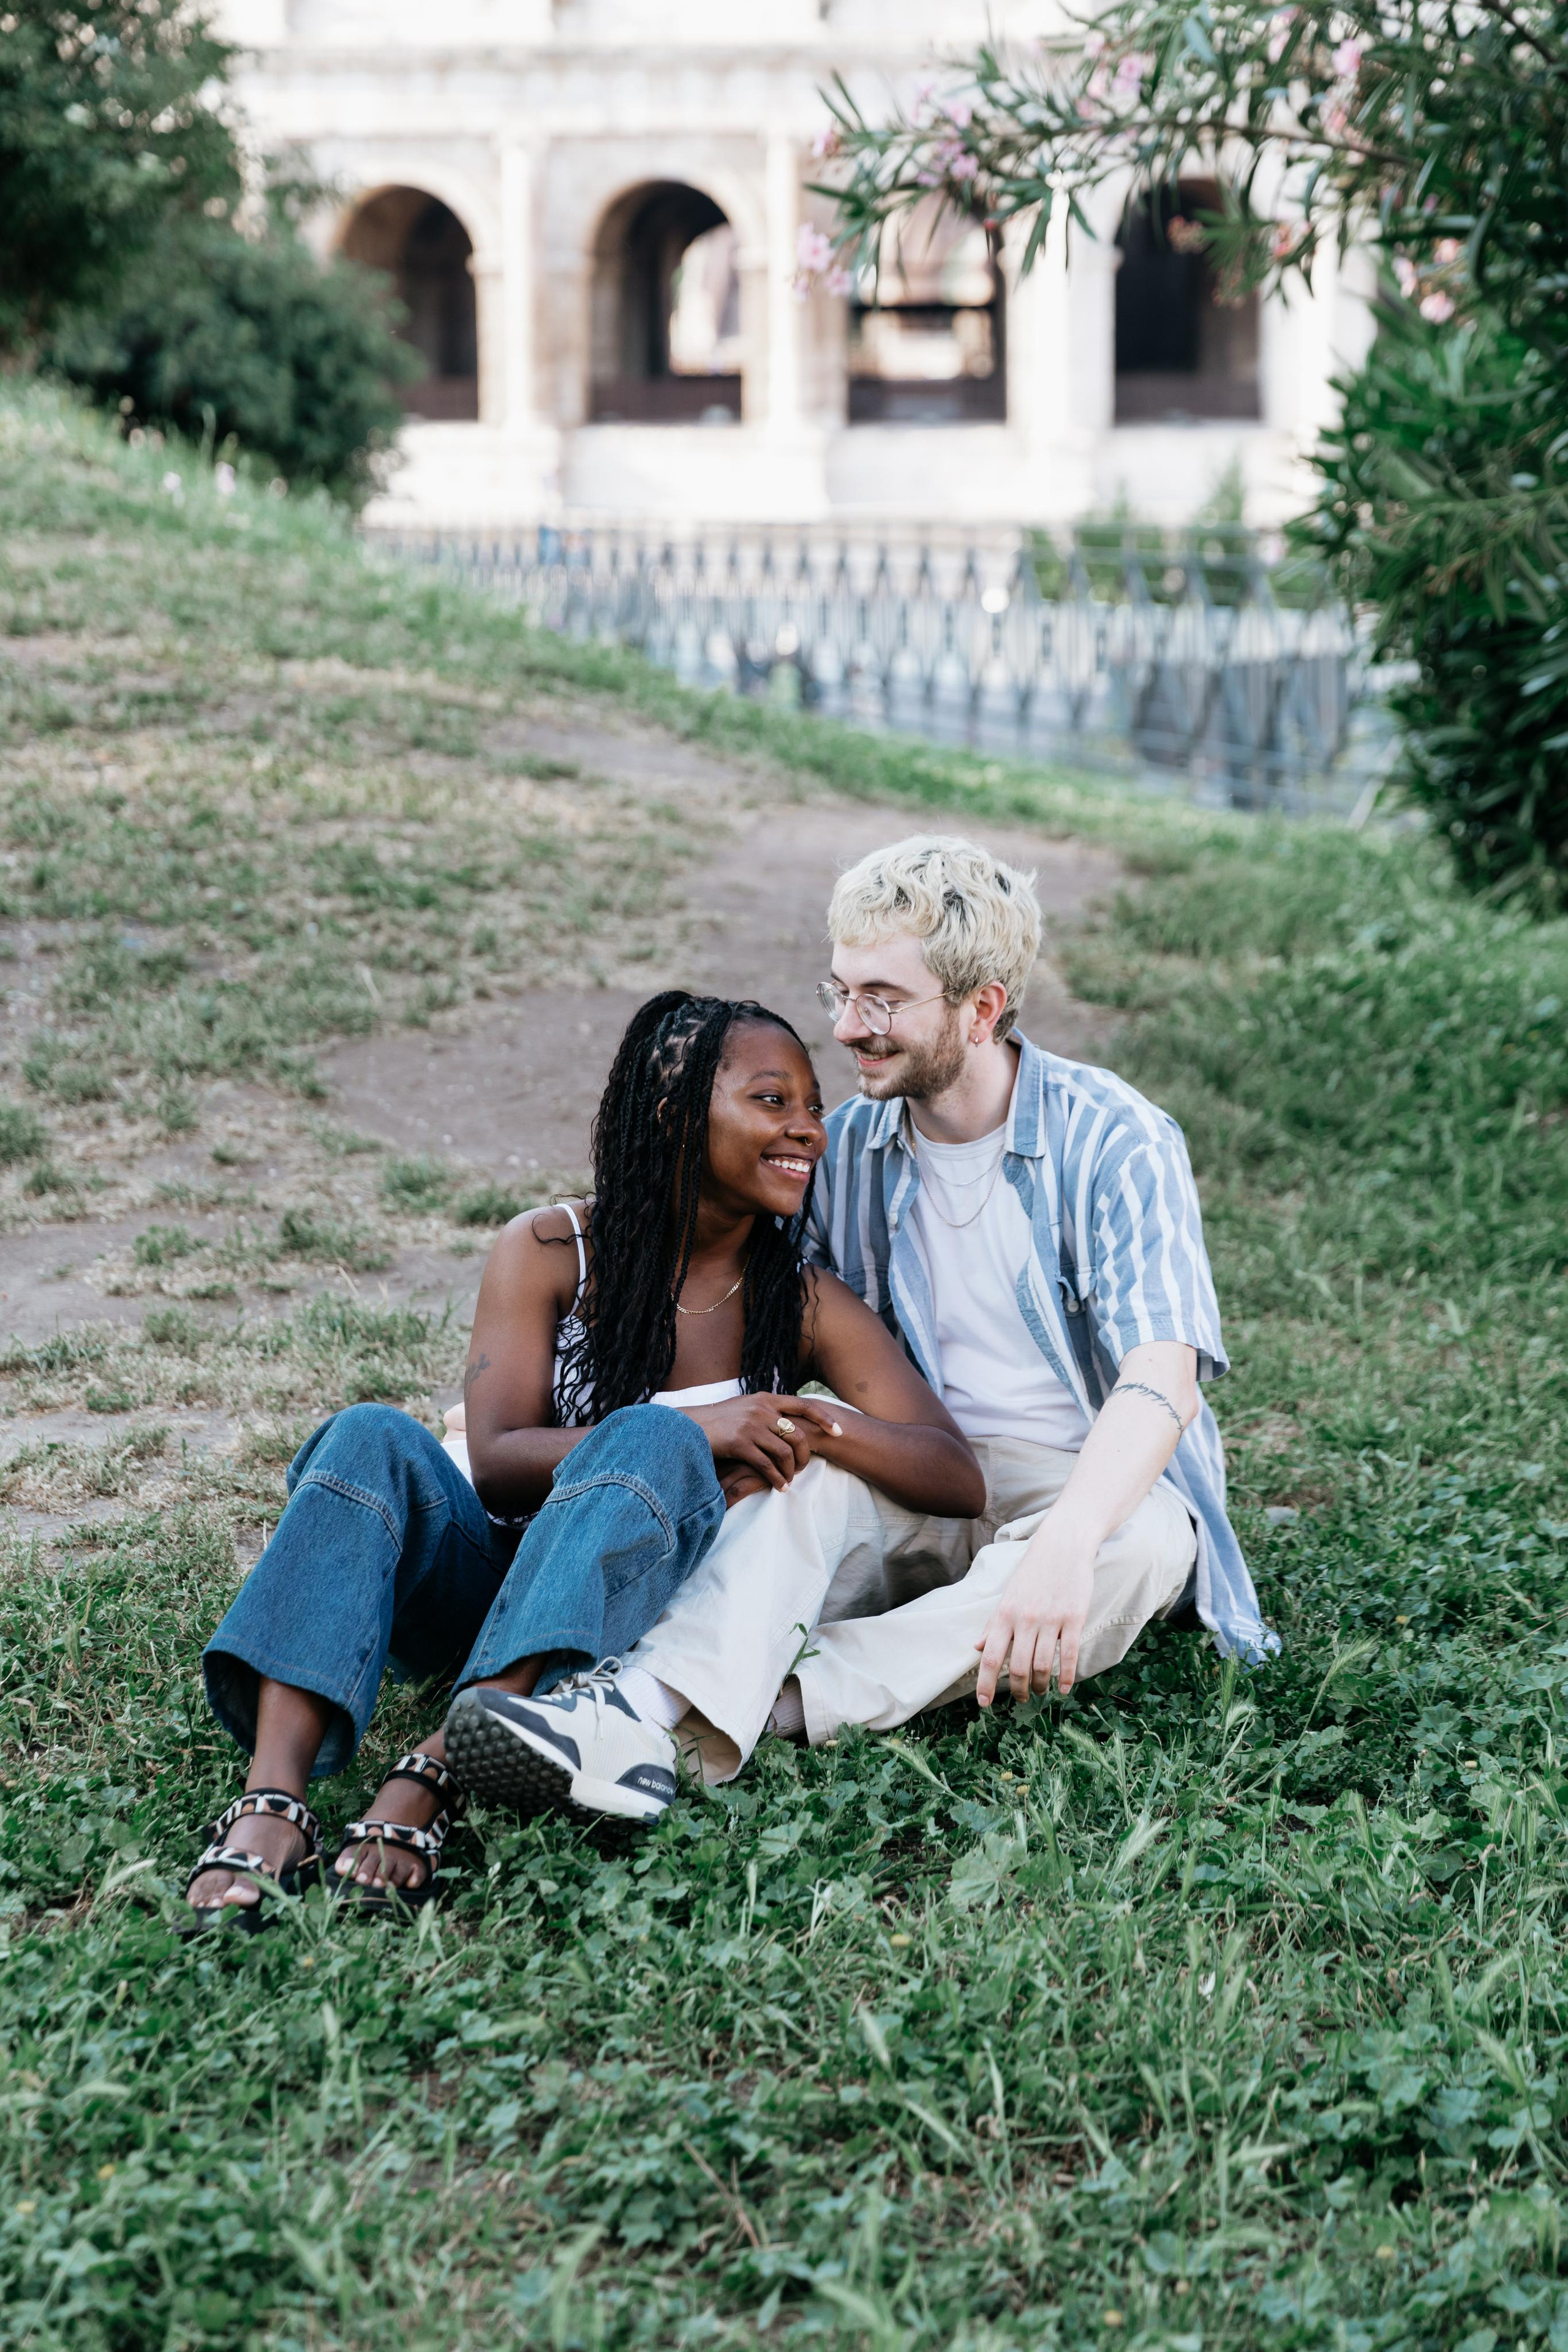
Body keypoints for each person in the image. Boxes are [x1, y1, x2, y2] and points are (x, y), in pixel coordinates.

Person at [183, 989, 982, 1926]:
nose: (808, 1129)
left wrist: (803, 1419)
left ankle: (438, 1766)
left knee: (652, 1436)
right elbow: (501, 1458)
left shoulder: (797, 1299)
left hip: (625, 1613)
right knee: (367, 1434)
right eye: (774, 1102)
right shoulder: (554, 1249)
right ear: (673, 1116)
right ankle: (272, 1799)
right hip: (491, 1572)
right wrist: (707, 1430)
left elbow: (955, 1473)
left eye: (813, 1106)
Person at [535, 835, 1274, 1801]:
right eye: (839, 991)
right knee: (804, 1477)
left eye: (881, 999)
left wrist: (1064, 1542)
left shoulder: (1117, 1140)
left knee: (1141, 1548)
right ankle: (634, 1704)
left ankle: (754, 1716)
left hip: (1096, 1482)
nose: (846, 1028)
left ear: (982, 1008)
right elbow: (720, 1298)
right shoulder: (841, 1153)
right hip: (926, 1473)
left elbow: (1159, 1380)